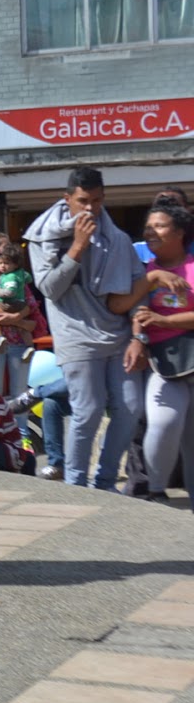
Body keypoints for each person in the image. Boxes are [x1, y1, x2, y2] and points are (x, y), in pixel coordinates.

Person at [24, 167, 169, 490]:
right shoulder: (44, 236)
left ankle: (103, 482)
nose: (90, 209)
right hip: (76, 336)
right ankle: (76, 484)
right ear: (68, 199)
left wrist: (138, 337)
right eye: (83, 201)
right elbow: (48, 288)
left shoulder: (116, 239)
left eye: (98, 201)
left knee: (131, 408)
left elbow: (136, 290)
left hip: (119, 336)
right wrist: (76, 248)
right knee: (87, 412)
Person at [109, 198, 194, 505]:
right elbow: (120, 306)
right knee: (164, 423)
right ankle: (157, 491)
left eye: (159, 226)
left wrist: (164, 319)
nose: (151, 232)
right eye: (148, 227)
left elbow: (153, 316)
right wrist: (139, 336)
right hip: (164, 364)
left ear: (180, 232)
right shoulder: (143, 272)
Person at [0, 241, 43, 397]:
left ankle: (20, 422)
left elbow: (30, 304)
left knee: (21, 394)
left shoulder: (16, 276)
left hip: (19, 341)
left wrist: (17, 316)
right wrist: (22, 321)